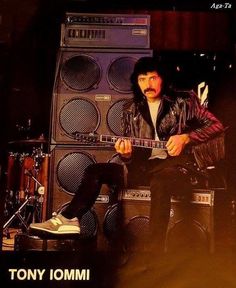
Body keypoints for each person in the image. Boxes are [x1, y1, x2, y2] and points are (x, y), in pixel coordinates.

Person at [29, 56, 224, 252]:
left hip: (180, 167)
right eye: (142, 79)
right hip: (146, 168)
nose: (147, 84)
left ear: (162, 79)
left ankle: (154, 252)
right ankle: (69, 219)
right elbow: (132, 157)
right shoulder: (130, 110)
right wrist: (126, 155)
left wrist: (186, 138)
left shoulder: (185, 101)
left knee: (161, 181)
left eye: (153, 78)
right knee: (94, 171)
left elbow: (217, 126)